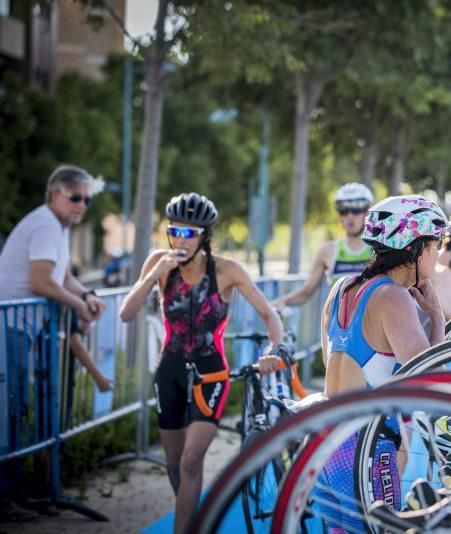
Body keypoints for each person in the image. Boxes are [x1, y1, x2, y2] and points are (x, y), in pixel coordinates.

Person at [119, 193, 284, 534]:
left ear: (204, 235)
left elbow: (269, 314)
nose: (180, 239)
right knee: (173, 462)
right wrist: (152, 277)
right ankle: (193, 518)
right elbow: (126, 313)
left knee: (192, 460)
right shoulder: (158, 263)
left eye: (189, 233)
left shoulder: (226, 270)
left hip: (212, 372)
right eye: (174, 230)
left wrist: (275, 348)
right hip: (171, 370)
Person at [315, 194, 448, 532]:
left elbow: (328, 359)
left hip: (325, 442)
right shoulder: (393, 297)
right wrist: (436, 317)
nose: (438, 254)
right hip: (367, 449)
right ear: (415, 250)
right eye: (436, 245)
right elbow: (428, 381)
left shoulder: (341, 288)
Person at [0, 164, 106, 522]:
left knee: (17, 412)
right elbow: (42, 283)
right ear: (56, 193)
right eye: (76, 197)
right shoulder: (46, 224)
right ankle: (6, 500)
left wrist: (88, 294)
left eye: (87, 200)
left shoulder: (56, 227)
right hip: (9, 329)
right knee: (8, 415)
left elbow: (62, 276)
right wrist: (79, 304)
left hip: (18, 331)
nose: (82, 205)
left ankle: (19, 493)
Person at [271, 183, 374, 310]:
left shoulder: (378, 248)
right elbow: (306, 292)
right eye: (343, 210)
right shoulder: (328, 250)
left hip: (370, 325)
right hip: (337, 327)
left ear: (366, 211)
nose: (350, 215)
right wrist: (280, 302)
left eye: (357, 209)